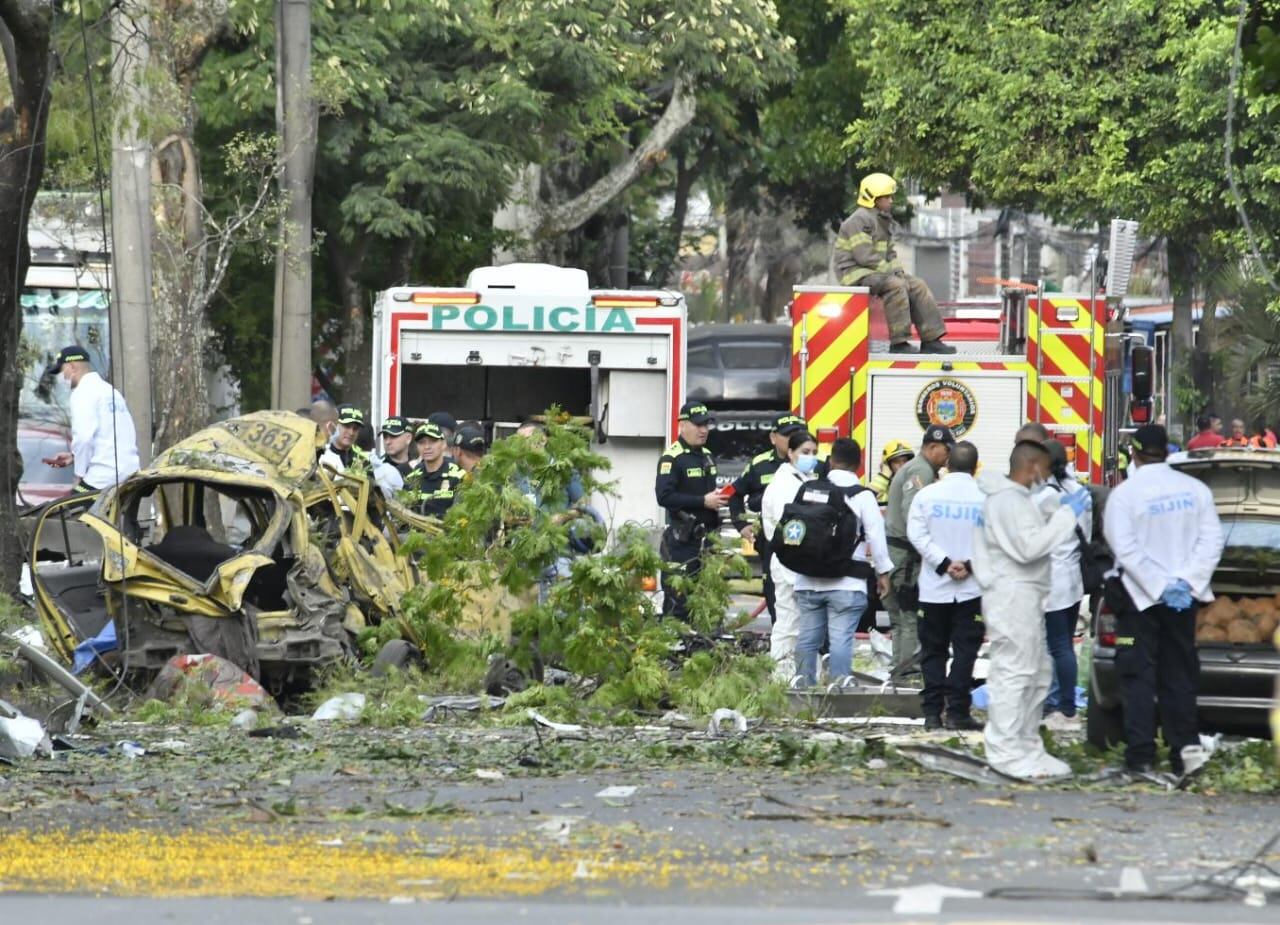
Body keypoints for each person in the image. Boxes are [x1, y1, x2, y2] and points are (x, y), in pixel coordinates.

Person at [1104, 423, 1224, 780]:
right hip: (1182, 603)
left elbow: (1123, 549)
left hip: (1139, 602)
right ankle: (1183, 752)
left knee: (1138, 677)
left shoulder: (1124, 495)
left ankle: (1140, 757)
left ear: (1135, 454)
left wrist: (1156, 586)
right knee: (1180, 675)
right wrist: (1185, 583)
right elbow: (1212, 541)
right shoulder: (1196, 490)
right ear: (1168, 452)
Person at [972, 440, 1086, 781]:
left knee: (1037, 674)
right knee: (1015, 673)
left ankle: (1026, 745)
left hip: (1025, 596)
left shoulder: (1017, 500)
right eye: (1047, 470)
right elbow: (1029, 547)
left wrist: (1053, 508)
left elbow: (1031, 529)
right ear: (1034, 466)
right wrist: (1066, 515)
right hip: (1012, 596)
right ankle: (1006, 751)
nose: (1048, 478)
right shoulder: (1006, 501)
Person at [794, 438, 893, 686]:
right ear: (858, 466)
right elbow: (877, 539)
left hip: (807, 578)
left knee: (807, 637)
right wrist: (883, 574)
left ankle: (802, 685)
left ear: (831, 461)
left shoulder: (810, 489)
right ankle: (839, 685)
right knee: (840, 638)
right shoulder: (862, 496)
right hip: (847, 583)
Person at [906, 440, 985, 731]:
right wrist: (969, 565)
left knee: (933, 652)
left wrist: (943, 563)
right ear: (976, 467)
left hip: (934, 589)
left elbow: (916, 534)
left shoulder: (927, 496)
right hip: (972, 588)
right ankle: (958, 712)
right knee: (966, 652)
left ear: (948, 463)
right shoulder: (988, 498)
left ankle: (931, 714)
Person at [833, 173, 955, 355]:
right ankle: (899, 343)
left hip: (876, 273)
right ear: (873, 199)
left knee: (917, 285)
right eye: (887, 197)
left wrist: (898, 271)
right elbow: (865, 256)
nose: (891, 200)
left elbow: (890, 253)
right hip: (856, 273)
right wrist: (894, 276)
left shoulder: (882, 220)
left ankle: (931, 339)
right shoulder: (859, 220)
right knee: (896, 286)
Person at [884, 425, 956, 677]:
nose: (948, 457)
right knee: (909, 616)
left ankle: (898, 669)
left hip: (898, 553)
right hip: (905, 556)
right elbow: (913, 514)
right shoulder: (920, 470)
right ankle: (908, 674)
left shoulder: (921, 469)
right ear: (933, 447)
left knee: (901, 618)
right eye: (947, 450)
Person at [729, 412, 808, 622]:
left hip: (807, 543)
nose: (793, 439)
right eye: (788, 435)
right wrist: (741, 524)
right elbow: (734, 495)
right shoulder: (760, 464)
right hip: (772, 542)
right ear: (774, 438)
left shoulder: (814, 465)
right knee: (776, 598)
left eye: (799, 433)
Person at [1035, 439, 1091, 731]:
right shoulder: (1079, 491)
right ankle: (1061, 704)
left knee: (1056, 646)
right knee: (1064, 644)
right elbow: (1088, 536)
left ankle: (1064, 708)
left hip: (1051, 579)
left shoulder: (1044, 496)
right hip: (1072, 578)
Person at [655, 402, 724, 620]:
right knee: (679, 600)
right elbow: (664, 497)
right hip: (682, 541)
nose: (703, 430)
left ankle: (702, 648)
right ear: (682, 425)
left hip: (708, 540)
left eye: (706, 425)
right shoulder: (672, 458)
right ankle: (675, 649)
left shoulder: (707, 456)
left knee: (706, 601)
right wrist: (702, 501)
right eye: (698, 425)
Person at [761, 430, 822, 679]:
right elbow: (792, 527)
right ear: (790, 453)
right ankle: (784, 675)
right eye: (805, 452)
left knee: (797, 622)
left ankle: (794, 674)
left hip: (795, 560)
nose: (811, 457)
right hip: (790, 560)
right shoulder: (786, 484)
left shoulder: (801, 479)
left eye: (814, 453)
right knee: (789, 623)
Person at [43, 345, 140, 492]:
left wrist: (78, 475)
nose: (61, 377)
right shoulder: (110, 391)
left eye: (62, 371)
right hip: (131, 475)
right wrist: (74, 456)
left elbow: (84, 438)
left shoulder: (82, 393)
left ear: (72, 366)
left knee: (65, 511)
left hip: (104, 478)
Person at [320, 404, 404, 497]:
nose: (351, 432)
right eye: (347, 426)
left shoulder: (364, 460)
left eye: (355, 428)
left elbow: (373, 497)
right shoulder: (319, 456)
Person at [406, 421, 465, 517]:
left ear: (443, 444)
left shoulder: (458, 476)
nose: (427, 447)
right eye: (421, 442)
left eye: (432, 441)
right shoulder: (412, 478)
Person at [869, 439, 914, 505]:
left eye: (905, 461)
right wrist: (884, 475)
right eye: (896, 462)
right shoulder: (882, 488)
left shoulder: (916, 482)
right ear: (888, 465)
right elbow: (865, 500)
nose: (902, 465)